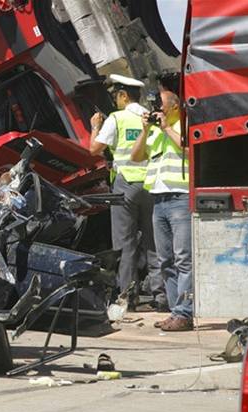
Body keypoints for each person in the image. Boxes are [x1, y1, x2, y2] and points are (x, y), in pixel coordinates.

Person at [89, 74, 164, 310]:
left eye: (116, 97)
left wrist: (95, 127)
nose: (115, 102)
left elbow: (94, 150)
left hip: (124, 187)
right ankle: (161, 297)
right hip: (151, 185)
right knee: (154, 243)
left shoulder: (116, 118)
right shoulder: (150, 117)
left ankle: (127, 297)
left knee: (125, 244)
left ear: (123, 95)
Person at [131, 90, 192, 331]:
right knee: (165, 259)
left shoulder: (185, 125)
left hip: (180, 198)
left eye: (162, 106)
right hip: (158, 200)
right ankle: (174, 310)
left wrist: (167, 127)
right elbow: (136, 157)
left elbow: (190, 151)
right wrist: (146, 129)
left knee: (183, 258)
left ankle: (184, 312)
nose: (158, 111)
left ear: (175, 107)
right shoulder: (154, 131)